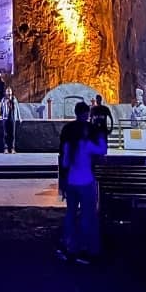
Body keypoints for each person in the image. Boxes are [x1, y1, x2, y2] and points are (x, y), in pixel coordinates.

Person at [57, 101, 107, 264]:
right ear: (85, 114)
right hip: (86, 181)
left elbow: (63, 163)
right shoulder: (86, 143)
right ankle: (87, 248)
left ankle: (69, 245)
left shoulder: (68, 141)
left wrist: (62, 183)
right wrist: (100, 134)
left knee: (71, 213)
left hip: (71, 181)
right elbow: (102, 150)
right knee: (87, 215)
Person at [0, 87, 21, 153]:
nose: (8, 92)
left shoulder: (14, 99)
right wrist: (5, 103)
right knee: (5, 134)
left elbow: (17, 108)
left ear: (11, 92)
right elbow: (1, 108)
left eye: (9, 91)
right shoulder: (3, 99)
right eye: (7, 91)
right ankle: (5, 148)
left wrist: (19, 117)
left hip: (12, 118)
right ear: (6, 92)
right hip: (5, 118)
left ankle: (12, 148)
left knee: (12, 134)